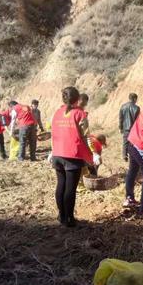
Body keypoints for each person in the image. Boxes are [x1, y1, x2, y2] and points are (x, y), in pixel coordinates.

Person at [51, 87, 93, 227]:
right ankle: (69, 219)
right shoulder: (80, 114)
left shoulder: (57, 113)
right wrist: (92, 156)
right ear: (77, 99)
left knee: (61, 185)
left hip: (57, 154)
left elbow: (54, 133)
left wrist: (52, 152)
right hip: (72, 155)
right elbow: (85, 137)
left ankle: (61, 216)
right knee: (70, 189)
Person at [119, 93, 140, 162]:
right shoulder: (137, 108)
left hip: (125, 128)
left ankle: (124, 155)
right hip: (133, 128)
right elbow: (138, 120)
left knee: (125, 141)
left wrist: (120, 127)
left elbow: (121, 118)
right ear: (134, 99)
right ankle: (132, 155)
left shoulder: (123, 106)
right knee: (133, 142)